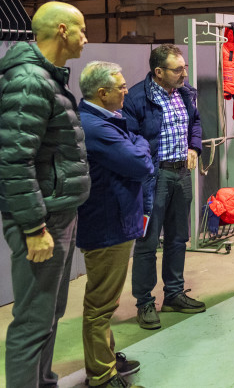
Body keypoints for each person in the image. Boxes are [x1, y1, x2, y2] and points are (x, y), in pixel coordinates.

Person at [0, 1, 90, 387]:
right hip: (43, 218)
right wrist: (35, 226)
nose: (87, 37)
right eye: (81, 29)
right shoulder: (30, 81)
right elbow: (13, 161)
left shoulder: (48, 78)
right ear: (62, 31)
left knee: (50, 312)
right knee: (33, 319)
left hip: (57, 212)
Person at [77, 61, 153, 387]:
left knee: (104, 302)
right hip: (107, 225)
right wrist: (141, 142)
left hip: (115, 219)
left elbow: (134, 152)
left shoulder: (107, 120)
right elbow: (139, 164)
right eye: (120, 87)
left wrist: (136, 142)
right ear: (102, 92)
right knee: (99, 305)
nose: (126, 91)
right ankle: (102, 375)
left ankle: (106, 359)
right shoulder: (95, 128)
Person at [123, 44, 203, 330]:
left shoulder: (185, 93)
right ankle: (145, 302)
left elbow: (195, 122)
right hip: (153, 178)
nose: (184, 74)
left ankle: (174, 294)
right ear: (158, 72)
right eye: (178, 69)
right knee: (147, 242)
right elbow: (129, 138)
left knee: (178, 237)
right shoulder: (135, 98)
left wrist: (194, 147)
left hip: (181, 174)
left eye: (185, 68)